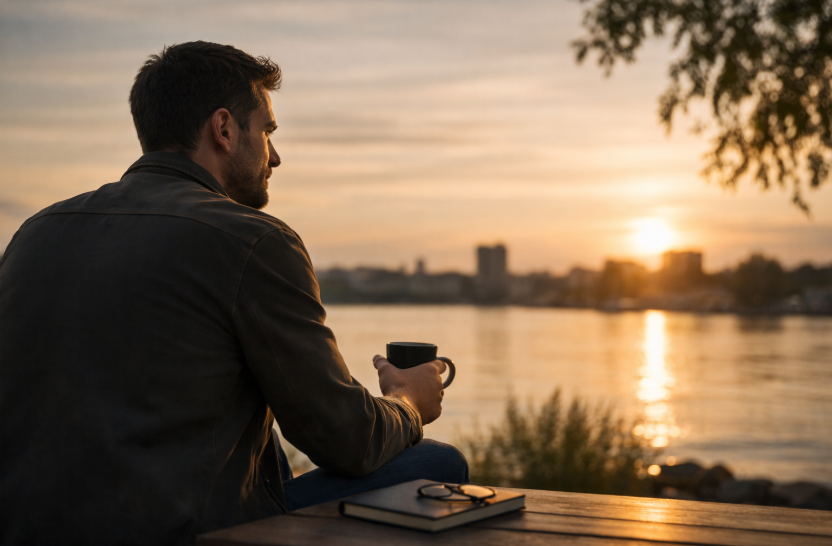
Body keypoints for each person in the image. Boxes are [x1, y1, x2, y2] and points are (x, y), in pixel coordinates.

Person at [0, 41, 467, 545]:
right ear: (223, 129)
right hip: (186, 533)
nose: (277, 155)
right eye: (267, 130)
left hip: (28, 526)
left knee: (256, 442)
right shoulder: (254, 240)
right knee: (439, 462)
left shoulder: (36, 231)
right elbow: (346, 440)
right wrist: (408, 403)